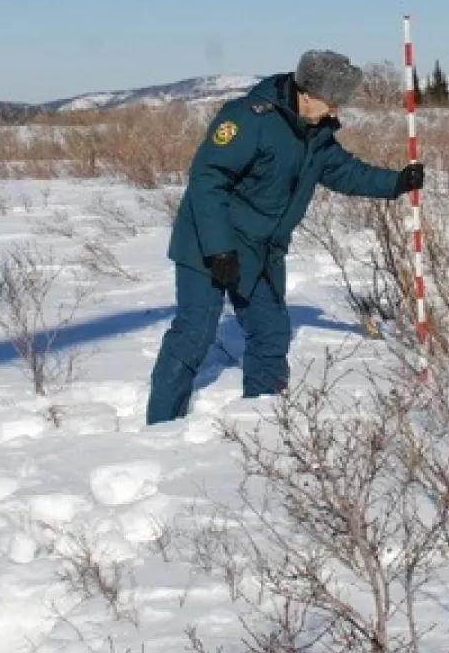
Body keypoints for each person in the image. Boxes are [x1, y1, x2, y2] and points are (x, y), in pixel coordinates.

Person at [147, 49, 425, 424]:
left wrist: (395, 182)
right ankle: (161, 426)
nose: (335, 112)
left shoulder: (316, 132)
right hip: (207, 243)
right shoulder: (248, 120)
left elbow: (344, 171)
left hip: (261, 250)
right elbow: (207, 180)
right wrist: (219, 249)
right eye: (332, 102)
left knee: (271, 333)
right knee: (194, 334)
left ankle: (262, 423)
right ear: (307, 93)